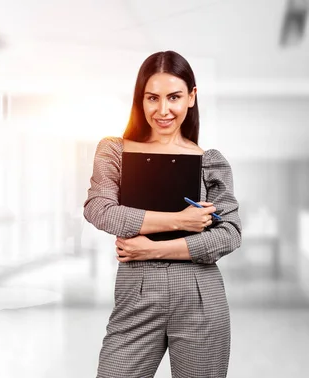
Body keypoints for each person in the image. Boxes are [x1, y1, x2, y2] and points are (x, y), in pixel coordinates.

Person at [83, 50, 242, 378]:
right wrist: (180, 221)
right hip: (136, 296)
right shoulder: (115, 150)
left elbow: (230, 234)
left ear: (192, 97)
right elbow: (99, 209)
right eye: (152, 98)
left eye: (174, 97)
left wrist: (152, 248)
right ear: (140, 99)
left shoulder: (210, 161)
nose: (163, 109)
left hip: (200, 296)